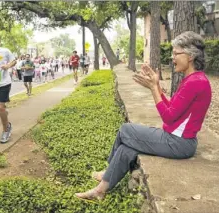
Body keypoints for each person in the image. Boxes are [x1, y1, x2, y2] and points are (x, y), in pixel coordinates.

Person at [75, 31, 212, 201]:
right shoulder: (193, 79)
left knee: (126, 130)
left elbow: (168, 117)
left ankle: (108, 171)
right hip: (179, 140)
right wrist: (156, 86)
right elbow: (173, 108)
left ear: (190, 56)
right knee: (127, 148)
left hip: (179, 143)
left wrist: (154, 88)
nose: (172, 57)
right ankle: (100, 190)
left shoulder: (195, 82)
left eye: (176, 53)